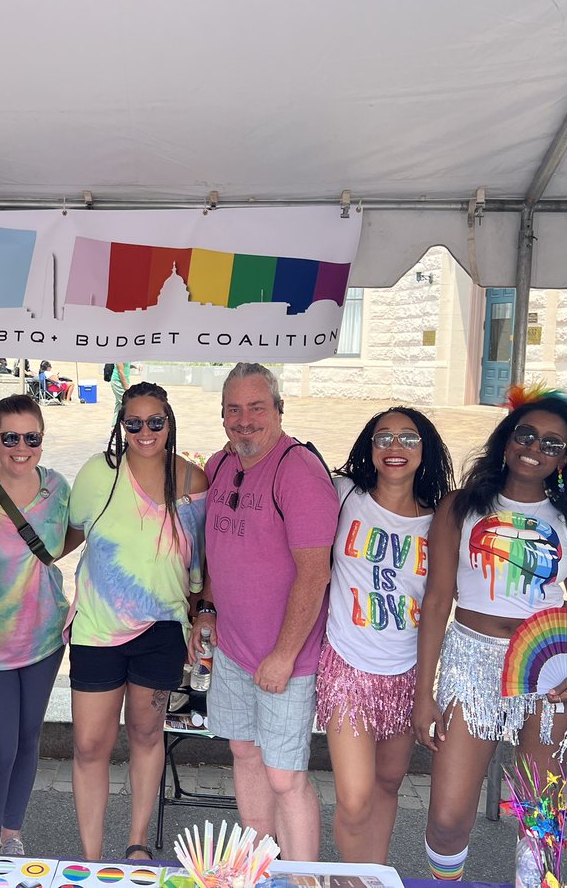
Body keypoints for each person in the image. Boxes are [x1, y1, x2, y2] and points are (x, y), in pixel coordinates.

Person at [415, 385, 567, 882]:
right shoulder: (460, 507)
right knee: (447, 816)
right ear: (506, 442)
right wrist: (424, 694)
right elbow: (437, 601)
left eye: (552, 443)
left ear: (566, 459)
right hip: (470, 662)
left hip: (551, 674)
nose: (535, 448)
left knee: (540, 814)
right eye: (527, 434)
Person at [198, 362, 339, 862]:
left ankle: (302, 878)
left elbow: (314, 573)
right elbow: (216, 545)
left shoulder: (297, 470)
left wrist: (282, 654)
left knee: (286, 776)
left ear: (279, 409)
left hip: (285, 657)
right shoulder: (221, 465)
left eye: (256, 407)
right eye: (233, 410)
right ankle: (261, 867)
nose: (244, 419)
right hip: (235, 649)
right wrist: (208, 608)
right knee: (243, 753)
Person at [68, 381, 207, 861]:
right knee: (89, 746)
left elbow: (201, 568)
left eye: (155, 421)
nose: (145, 431)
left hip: (162, 632)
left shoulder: (192, 481)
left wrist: (203, 617)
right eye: (134, 423)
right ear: (120, 426)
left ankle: (137, 844)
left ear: (170, 422)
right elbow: (67, 535)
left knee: (147, 735)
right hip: (95, 630)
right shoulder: (96, 474)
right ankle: (89, 857)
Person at [318, 407, 453, 864]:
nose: (395, 448)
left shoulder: (440, 523)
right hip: (347, 669)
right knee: (354, 798)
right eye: (384, 437)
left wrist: (426, 689)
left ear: (425, 450)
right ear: (369, 447)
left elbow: (441, 604)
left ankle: (372, 874)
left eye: (409, 439)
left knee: (388, 785)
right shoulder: (343, 495)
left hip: (406, 674)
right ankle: (351, 879)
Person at [0, 394, 81, 856]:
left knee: (29, 737)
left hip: (46, 637)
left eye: (31, 437)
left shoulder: (57, 486)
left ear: (42, 440)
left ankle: (12, 833)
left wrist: (40, 567)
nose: (21, 447)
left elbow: (68, 535)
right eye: (10, 437)